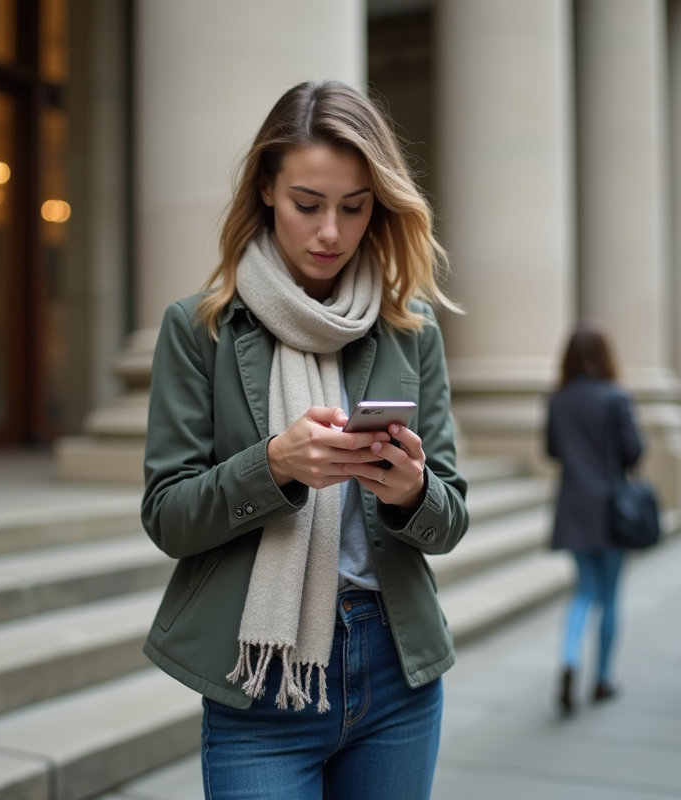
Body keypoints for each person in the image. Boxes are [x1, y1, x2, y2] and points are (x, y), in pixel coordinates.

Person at [139, 81, 469, 800]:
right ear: (265, 189)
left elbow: (451, 520)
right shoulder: (199, 329)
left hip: (395, 673)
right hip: (260, 682)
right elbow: (167, 516)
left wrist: (413, 493)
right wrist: (273, 467)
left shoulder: (409, 329)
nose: (330, 232)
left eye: (354, 207)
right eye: (308, 204)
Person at [545, 323, 643, 717]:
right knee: (611, 596)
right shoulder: (616, 397)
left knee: (584, 591)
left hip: (573, 506)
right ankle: (603, 678)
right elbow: (634, 451)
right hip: (612, 508)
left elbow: (552, 450)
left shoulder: (558, 400)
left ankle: (569, 658)